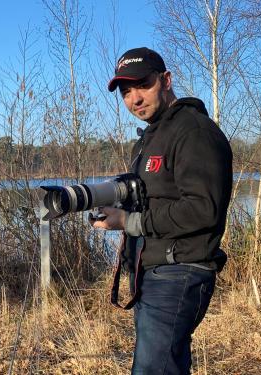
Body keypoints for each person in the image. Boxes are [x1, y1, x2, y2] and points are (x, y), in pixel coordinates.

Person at [90, 47, 233, 374]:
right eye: (127, 93)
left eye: (143, 85)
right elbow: (158, 196)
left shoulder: (193, 131)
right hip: (152, 272)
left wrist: (129, 220)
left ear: (166, 80)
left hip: (179, 272)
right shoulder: (150, 138)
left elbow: (203, 209)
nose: (135, 99)